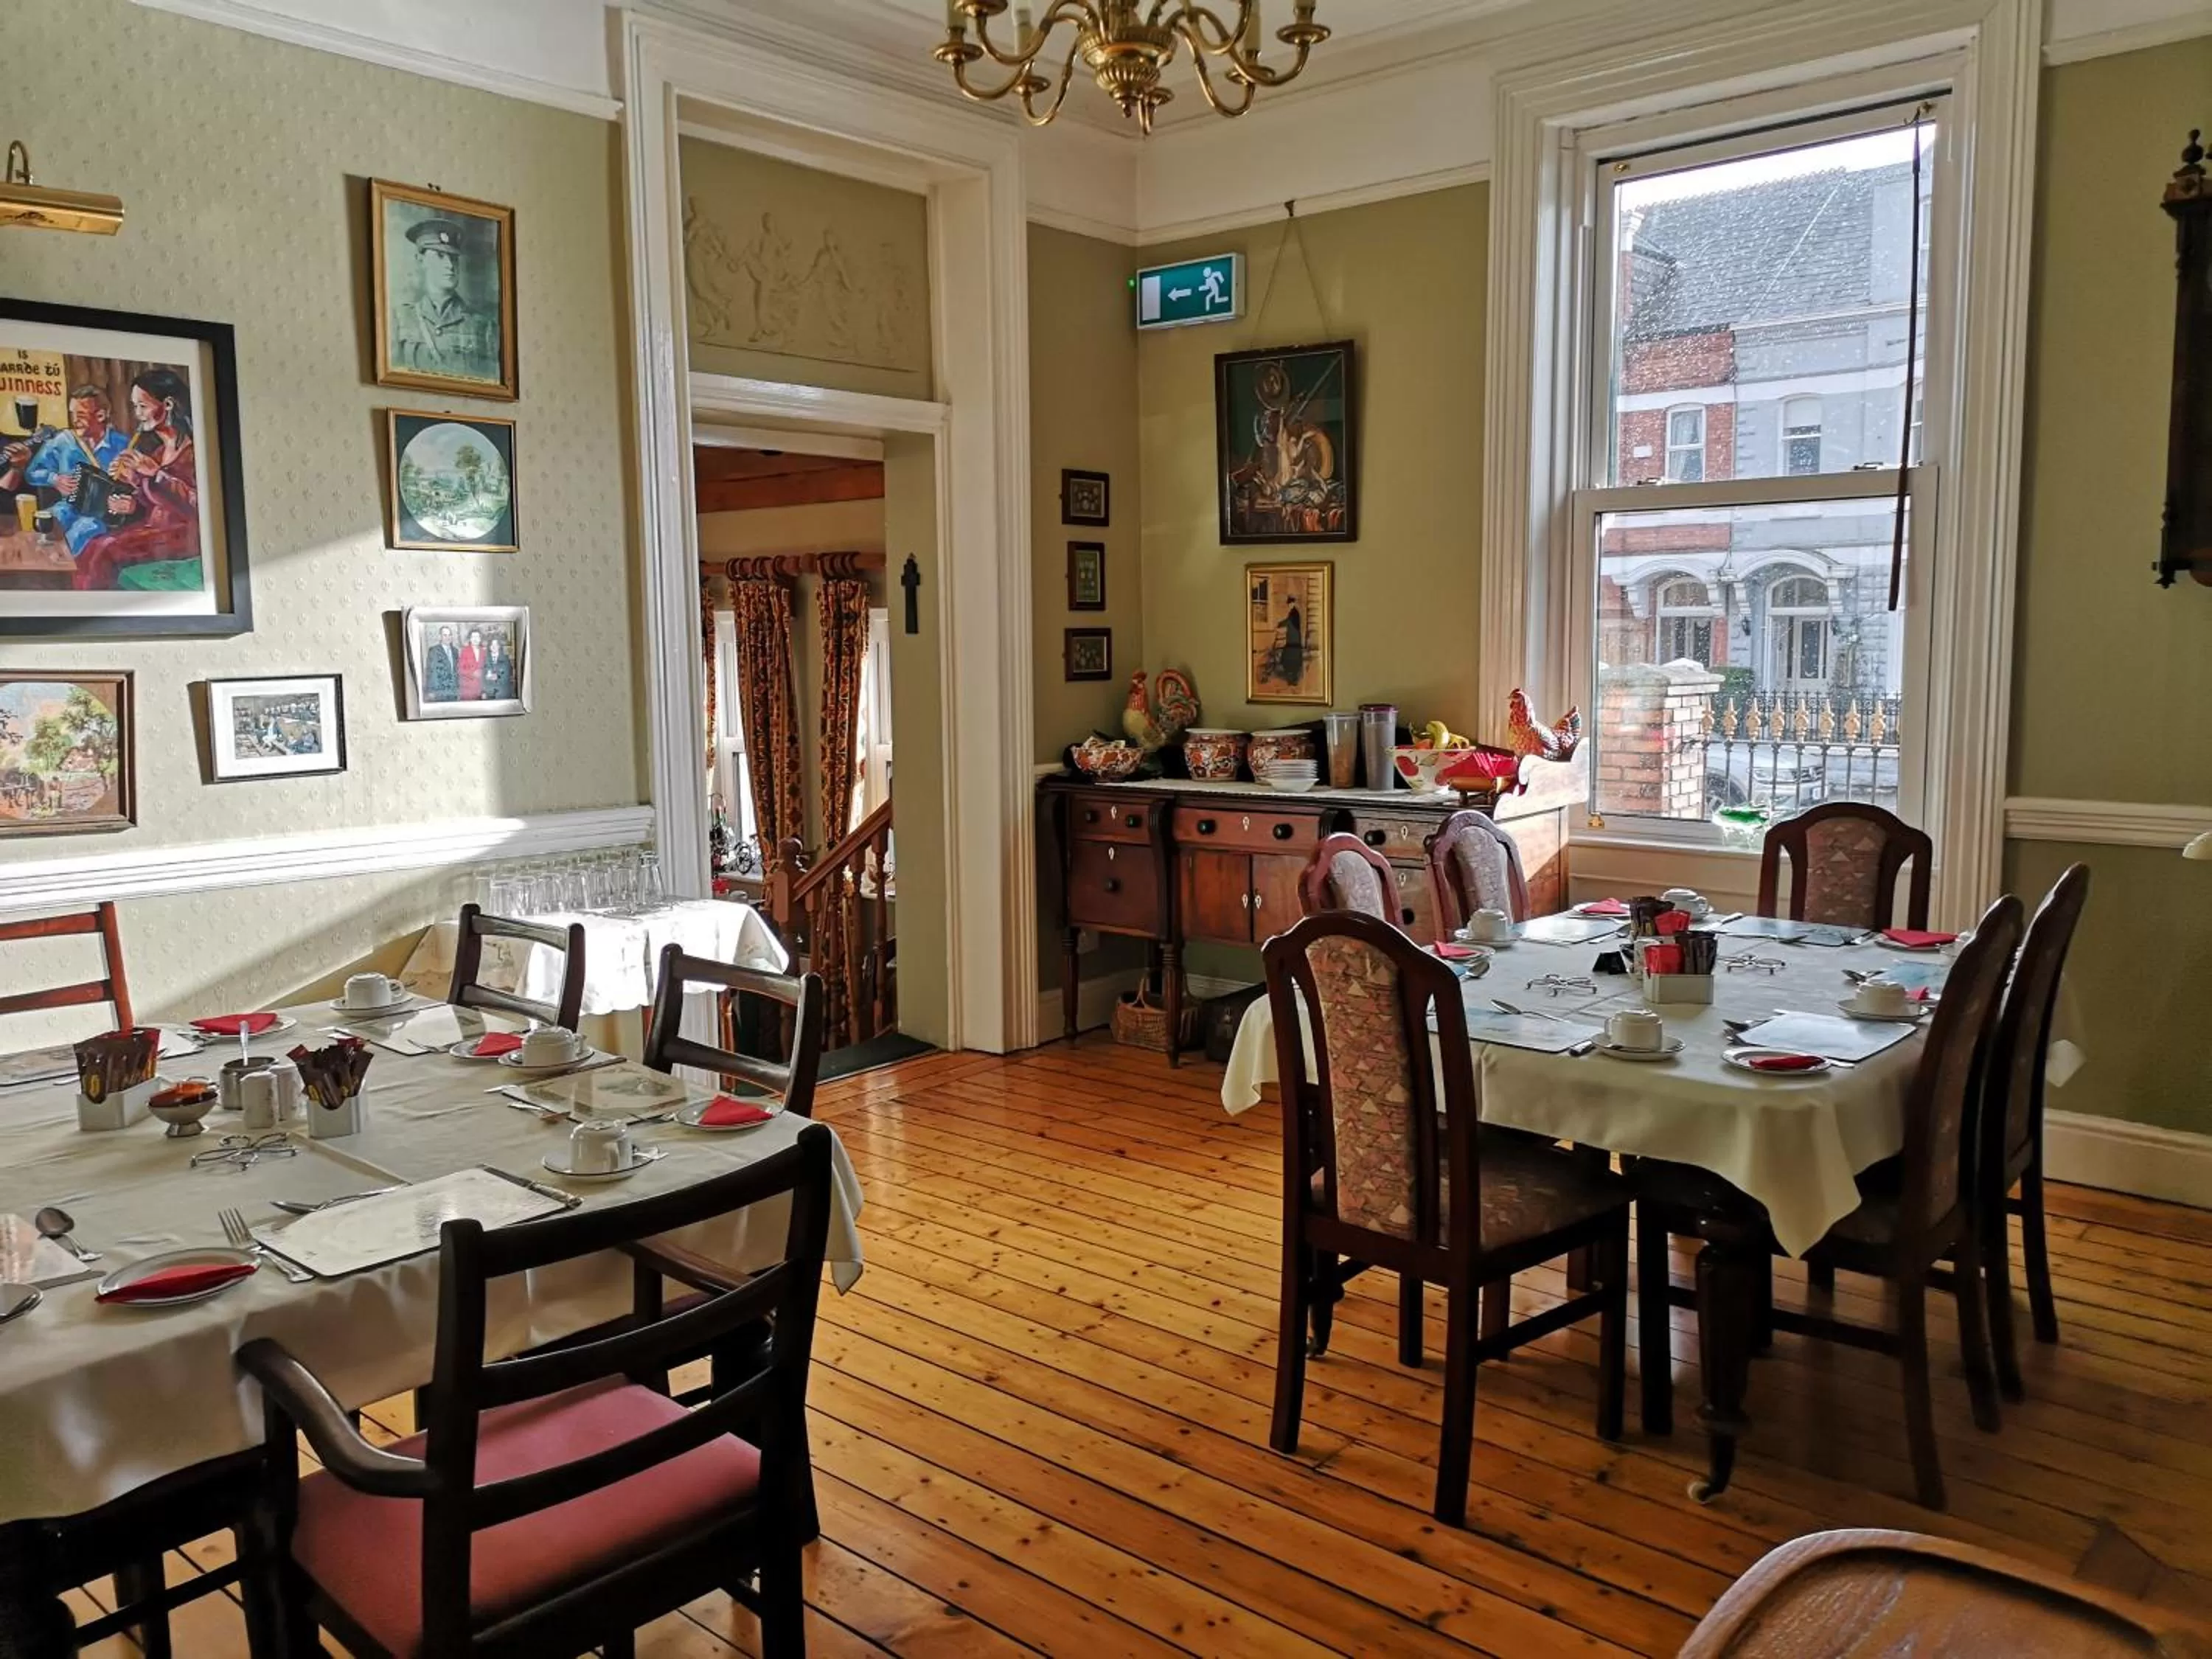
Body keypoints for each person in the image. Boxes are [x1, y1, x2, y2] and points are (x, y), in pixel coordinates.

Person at [71, 370, 200, 591]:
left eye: (143, 406)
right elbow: (153, 501)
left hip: (186, 536)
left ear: (167, 405)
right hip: (157, 530)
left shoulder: (195, 451)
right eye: (134, 406)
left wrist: (155, 474)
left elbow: (199, 505)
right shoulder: (159, 452)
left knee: (104, 550)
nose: (137, 414)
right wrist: (133, 499)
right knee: (92, 548)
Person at [1, 388, 129, 556]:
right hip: (68, 506)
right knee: (44, 524)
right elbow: (32, 473)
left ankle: (60, 569)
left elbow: (138, 486)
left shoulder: (123, 444)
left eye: (81, 415)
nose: (75, 420)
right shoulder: (63, 441)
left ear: (101, 416)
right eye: (72, 414)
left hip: (103, 514)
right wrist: (54, 479)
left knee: (82, 530)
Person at [389, 216, 501, 383]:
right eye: (440, 255)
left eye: (454, 258)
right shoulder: (400, 318)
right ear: (421, 260)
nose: (450, 265)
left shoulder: (484, 325)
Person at [424, 625, 460, 703]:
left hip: (453, 692)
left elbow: (457, 671)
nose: (448, 637)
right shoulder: (434, 651)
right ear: (440, 637)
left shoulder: (455, 651)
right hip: (440, 692)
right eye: (445, 635)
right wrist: (431, 690)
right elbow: (431, 672)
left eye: (450, 635)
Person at [480, 631, 513, 701]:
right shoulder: (485, 659)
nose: (494, 647)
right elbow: (482, 677)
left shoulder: (505, 659)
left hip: (502, 694)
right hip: (489, 694)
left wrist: (497, 677)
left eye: (496, 645)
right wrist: (483, 692)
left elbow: (507, 676)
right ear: (489, 647)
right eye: (492, 645)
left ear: (499, 646)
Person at [457, 628, 485, 701]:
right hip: (468, 689)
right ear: (470, 639)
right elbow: (460, 670)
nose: (475, 639)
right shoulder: (465, 651)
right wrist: (472, 673)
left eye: (477, 637)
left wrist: (483, 672)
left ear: (480, 639)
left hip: (481, 689)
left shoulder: (484, 652)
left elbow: (487, 668)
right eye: (473, 637)